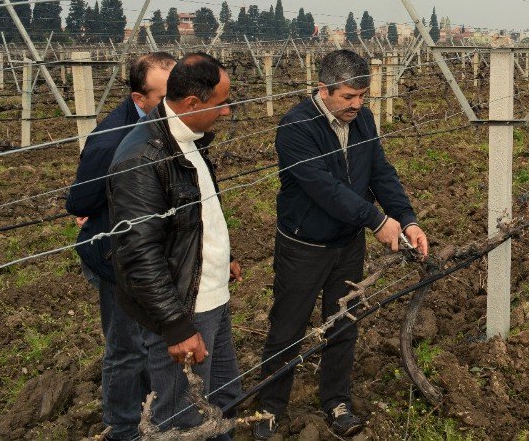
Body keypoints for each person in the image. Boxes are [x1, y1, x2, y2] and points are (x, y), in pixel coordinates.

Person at [253, 49, 428, 439]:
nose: (357, 104)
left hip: (347, 246)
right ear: (324, 89)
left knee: (344, 324)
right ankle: (269, 407)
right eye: (348, 97)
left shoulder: (363, 120)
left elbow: (381, 172)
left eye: (362, 96)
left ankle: (336, 402)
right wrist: (377, 219)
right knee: (288, 327)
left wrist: (408, 219)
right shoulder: (296, 127)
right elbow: (324, 189)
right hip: (304, 245)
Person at [108, 53, 242, 436]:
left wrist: (221, 257)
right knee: (182, 415)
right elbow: (139, 254)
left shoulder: (188, 138)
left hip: (210, 294)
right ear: (192, 104)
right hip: (185, 307)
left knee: (224, 396)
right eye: (221, 103)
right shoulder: (142, 157)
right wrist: (176, 327)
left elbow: (194, 214)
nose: (229, 111)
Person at [66, 51, 175, 441]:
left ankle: (152, 409)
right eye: (165, 94)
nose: (177, 100)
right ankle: (124, 427)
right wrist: (102, 208)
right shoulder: (111, 140)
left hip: (150, 251)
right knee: (127, 347)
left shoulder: (170, 123)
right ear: (138, 99)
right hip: (117, 258)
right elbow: (78, 201)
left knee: (152, 339)